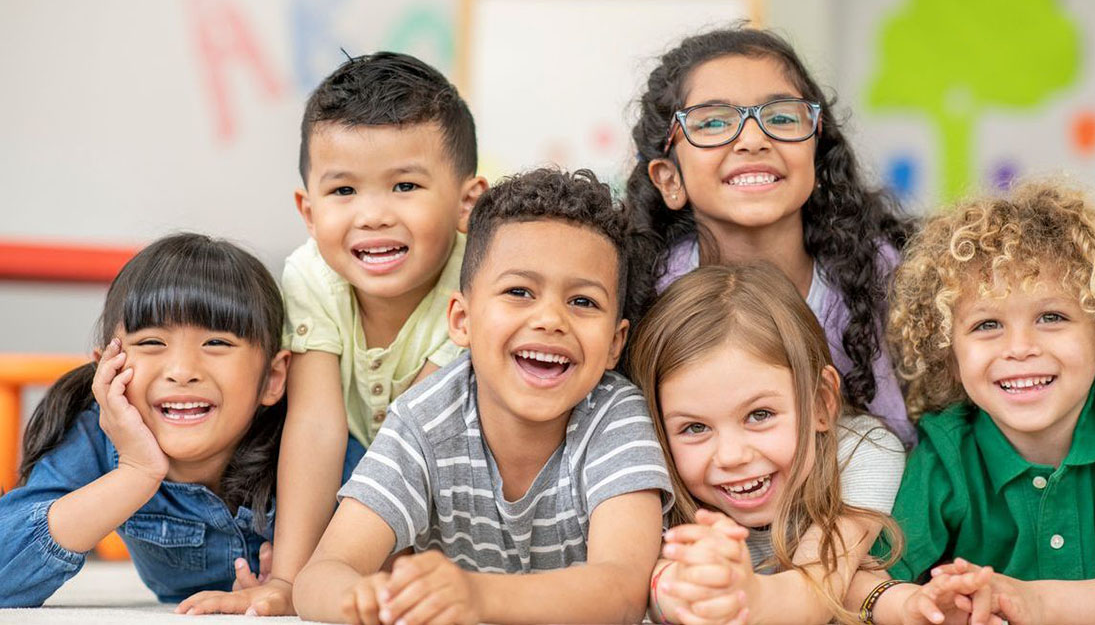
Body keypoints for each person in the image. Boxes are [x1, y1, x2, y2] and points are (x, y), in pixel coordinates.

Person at [293, 167, 674, 625]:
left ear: (615, 343)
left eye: (583, 302)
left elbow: (622, 592)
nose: (551, 319)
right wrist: (376, 601)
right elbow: (320, 576)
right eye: (519, 291)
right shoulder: (424, 419)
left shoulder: (614, 418)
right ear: (462, 320)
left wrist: (475, 596)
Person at [186, 52, 488, 615]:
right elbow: (317, 424)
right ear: (308, 209)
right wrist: (291, 580)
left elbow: (416, 433)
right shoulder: (312, 273)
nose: (372, 215)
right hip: (348, 474)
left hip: (450, 472)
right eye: (343, 191)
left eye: (404, 185)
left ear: (467, 202)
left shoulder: (478, 278)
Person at [857, 179, 1095, 625]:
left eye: (1051, 317)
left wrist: (1033, 603)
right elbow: (863, 577)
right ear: (950, 351)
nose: (1019, 347)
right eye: (986, 325)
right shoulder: (947, 447)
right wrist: (909, 606)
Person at [0, 233, 355, 607]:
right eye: (152, 342)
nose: (183, 371)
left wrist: (302, 579)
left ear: (272, 378)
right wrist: (136, 472)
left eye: (217, 343)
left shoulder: (314, 442)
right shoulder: (96, 435)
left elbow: (394, 553)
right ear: (106, 368)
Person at [624, 26, 915, 445]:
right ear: (670, 180)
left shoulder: (878, 275)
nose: (753, 139)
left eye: (780, 117)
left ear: (817, 153)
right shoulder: (646, 289)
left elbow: (900, 440)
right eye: (713, 123)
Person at [628, 263, 909, 624]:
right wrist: (688, 589)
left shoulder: (861, 452)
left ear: (821, 402)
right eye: (695, 428)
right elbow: (648, 593)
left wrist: (748, 595)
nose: (731, 456)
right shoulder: (651, 476)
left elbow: (816, 591)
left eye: (759, 415)